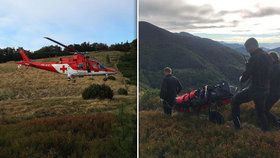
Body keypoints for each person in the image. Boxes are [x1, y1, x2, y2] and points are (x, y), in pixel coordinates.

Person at [231, 38, 273, 131]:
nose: (247, 50)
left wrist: (241, 78)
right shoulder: (267, 56)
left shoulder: (254, 57)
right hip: (265, 89)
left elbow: (246, 75)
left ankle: (237, 127)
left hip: (255, 89)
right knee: (260, 112)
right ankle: (266, 132)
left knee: (235, 100)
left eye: (247, 48)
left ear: (253, 46)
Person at [265, 51, 280, 126]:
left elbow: (270, 79)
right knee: (265, 109)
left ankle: (276, 123)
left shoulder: (275, 67)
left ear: (273, 58)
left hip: (273, 93)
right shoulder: (277, 66)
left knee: (264, 110)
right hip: (275, 93)